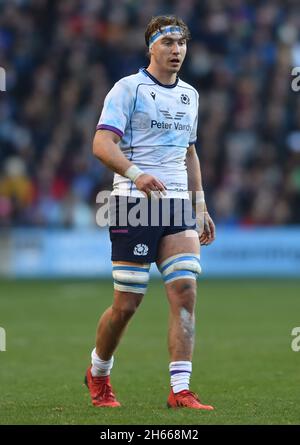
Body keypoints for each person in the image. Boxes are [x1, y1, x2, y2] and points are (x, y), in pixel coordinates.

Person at [85, 15, 216, 410]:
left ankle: (180, 389)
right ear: (151, 48)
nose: (176, 50)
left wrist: (200, 204)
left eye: (181, 43)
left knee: (185, 291)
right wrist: (136, 174)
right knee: (127, 304)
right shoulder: (129, 89)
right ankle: (99, 371)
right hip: (133, 205)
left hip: (177, 204)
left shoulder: (190, 96)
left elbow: (190, 153)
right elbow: (101, 143)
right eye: (168, 42)